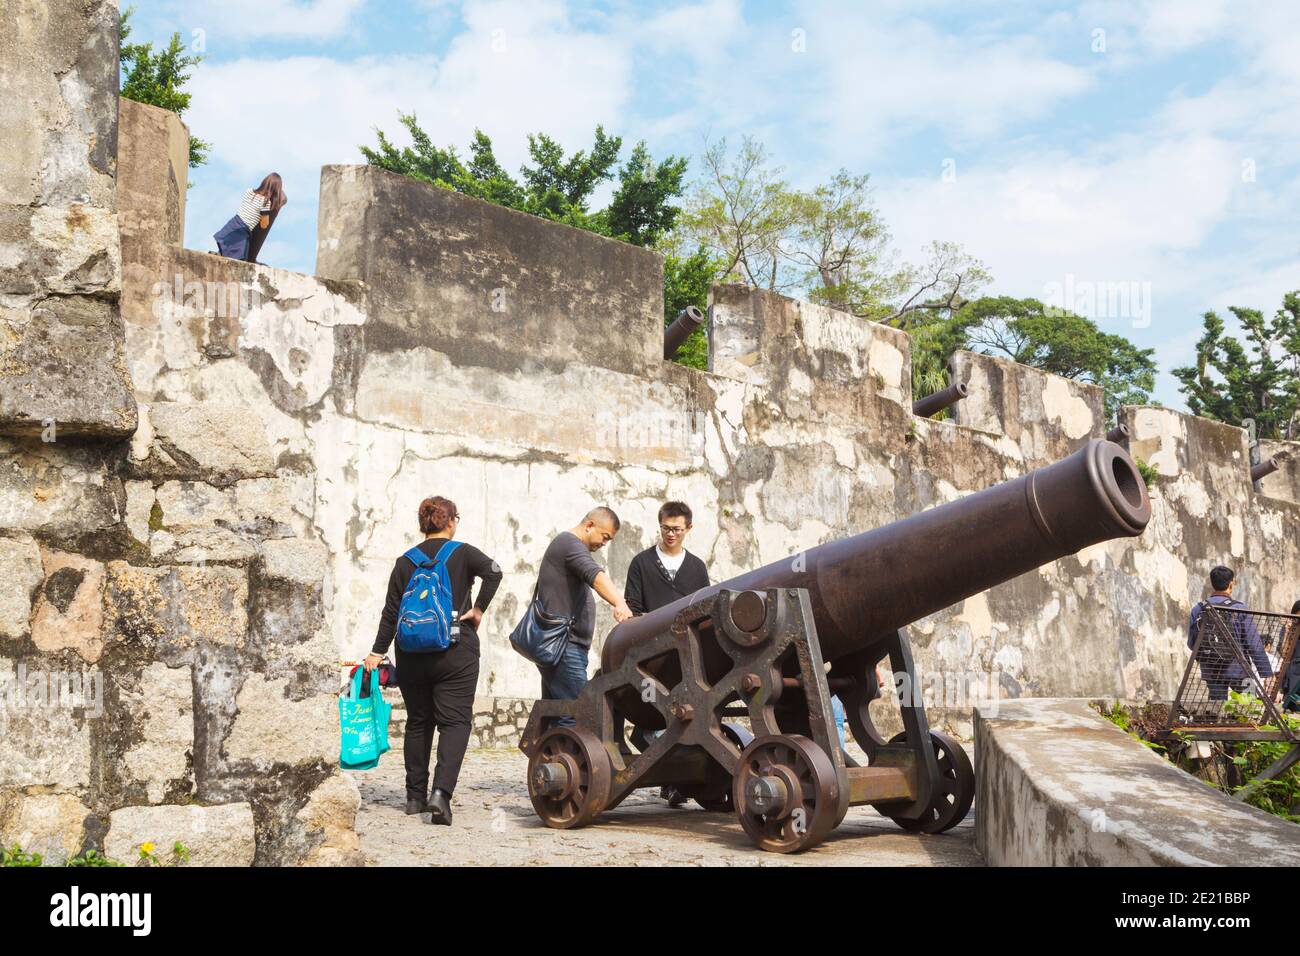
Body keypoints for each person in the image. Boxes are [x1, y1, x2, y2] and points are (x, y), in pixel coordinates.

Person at [366, 495, 502, 825]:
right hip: (456, 649)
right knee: (455, 722)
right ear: (451, 521)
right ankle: (440, 794)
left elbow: (391, 613)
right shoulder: (464, 553)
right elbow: (495, 572)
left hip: (411, 653)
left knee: (418, 721)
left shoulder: (404, 561)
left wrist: (377, 652)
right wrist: (479, 609)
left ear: (422, 524)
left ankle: (414, 797)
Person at [624, 501, 710, 806]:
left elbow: (703, 605)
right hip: (651, 653)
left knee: (685, 715)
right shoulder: (642, 563)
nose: (670, 534)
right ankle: (667, 775)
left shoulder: (697, 567)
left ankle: (677, 781)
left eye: (676, 529)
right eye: (665, 528)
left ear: (688, 528)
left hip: (687, 654)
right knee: (657, 712)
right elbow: (632, 605)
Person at [533, 507, 633, 728]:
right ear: (589, 526)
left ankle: (547, 760)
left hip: (565, 647)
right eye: (604, 537)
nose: (604, 543)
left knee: (558, 714)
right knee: (583, 716)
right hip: (565, 648)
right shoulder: (569, 544)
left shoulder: (570, 546)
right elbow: (596, 577)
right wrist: (620, 602)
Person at [1187, 565, 1273, 700]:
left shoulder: (1198, 609)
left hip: (1211, 669)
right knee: (1250, 706)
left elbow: (1192, 643)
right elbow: (1253, 643)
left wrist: (1209, 656)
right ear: (1231, 584)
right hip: (1239, 668)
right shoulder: (1239, 608)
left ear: (1212, 583)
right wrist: (1266, 673)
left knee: (1216, 709)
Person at [214, 173, 286, 262]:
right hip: (242, 230)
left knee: (229, 252)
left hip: (233, 224)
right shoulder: (265, 202)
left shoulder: (249, 191)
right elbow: (264, 225)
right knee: (241, 260)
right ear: (276, 189)